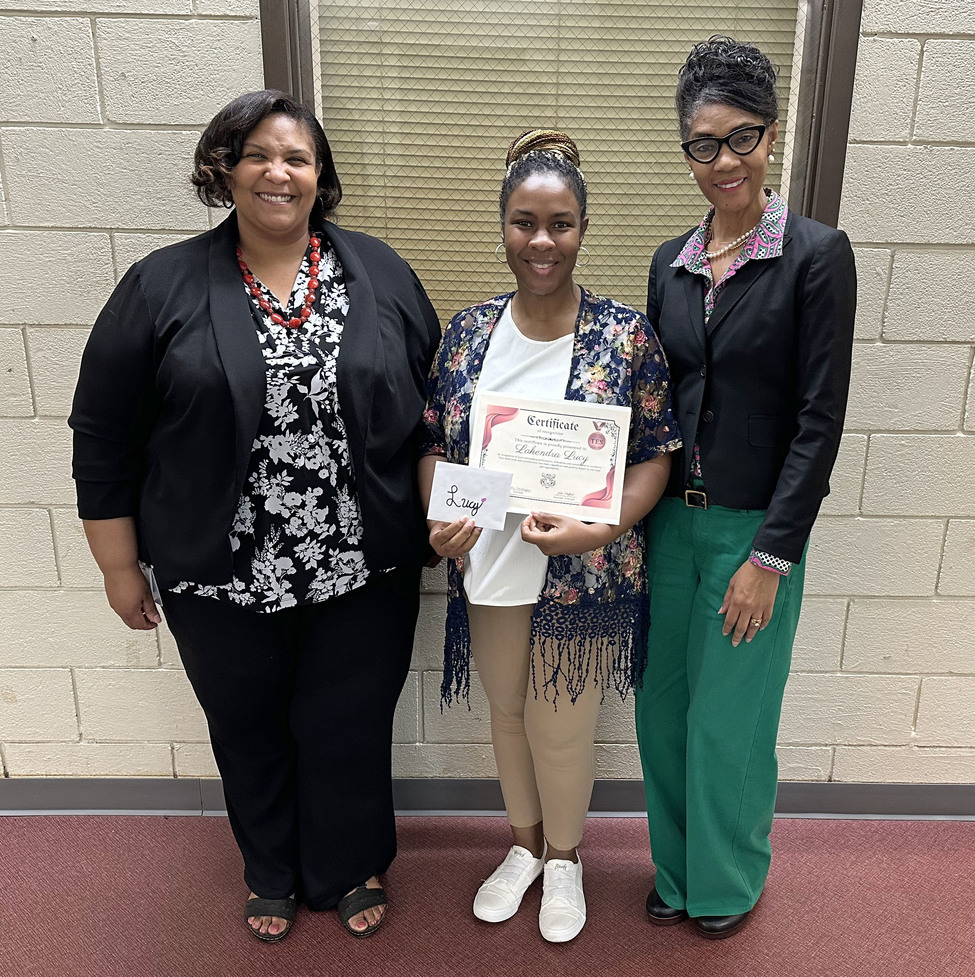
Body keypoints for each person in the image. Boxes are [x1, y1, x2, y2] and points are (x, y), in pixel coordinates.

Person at [69, 90, 440, 942]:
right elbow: (103, 435)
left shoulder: (379, 273)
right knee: (247, 726)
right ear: (225, 170)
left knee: (348, 724)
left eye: (297, 158)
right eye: (259, 155)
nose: (279, 172)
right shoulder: (160, 284)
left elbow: (433, 410)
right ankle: (269, 867)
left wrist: (446, 512)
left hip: (362, 561)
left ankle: (350, 862)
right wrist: (118, 566)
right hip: (219, 568)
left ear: (320, 176)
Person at [419, 129, 681, 943]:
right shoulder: (468, 333)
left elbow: (656, 453)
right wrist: (438, 517)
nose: (542, 241)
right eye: (525, 222)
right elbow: (432, 442)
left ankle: (566, 859)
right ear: (502, 225)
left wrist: (605, 523)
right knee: (506, 713)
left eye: (560, 223)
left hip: (585, 568)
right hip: (490, 561)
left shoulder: (623, 336)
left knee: (561, 728)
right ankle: (524, 847)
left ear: (582, 229)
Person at [635, 37, 856, 939]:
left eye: (742, 137)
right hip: (667, 528)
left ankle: (725, 881)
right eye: (703, 143)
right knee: (662, 712)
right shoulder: (670, 262)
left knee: (729, 721)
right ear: (686, 148)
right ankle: (675, 869)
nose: (723, 160)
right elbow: (650, 402)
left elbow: (819, 420)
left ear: (771, 135)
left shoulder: (816, 255)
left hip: (751, 532)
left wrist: (772, 556)